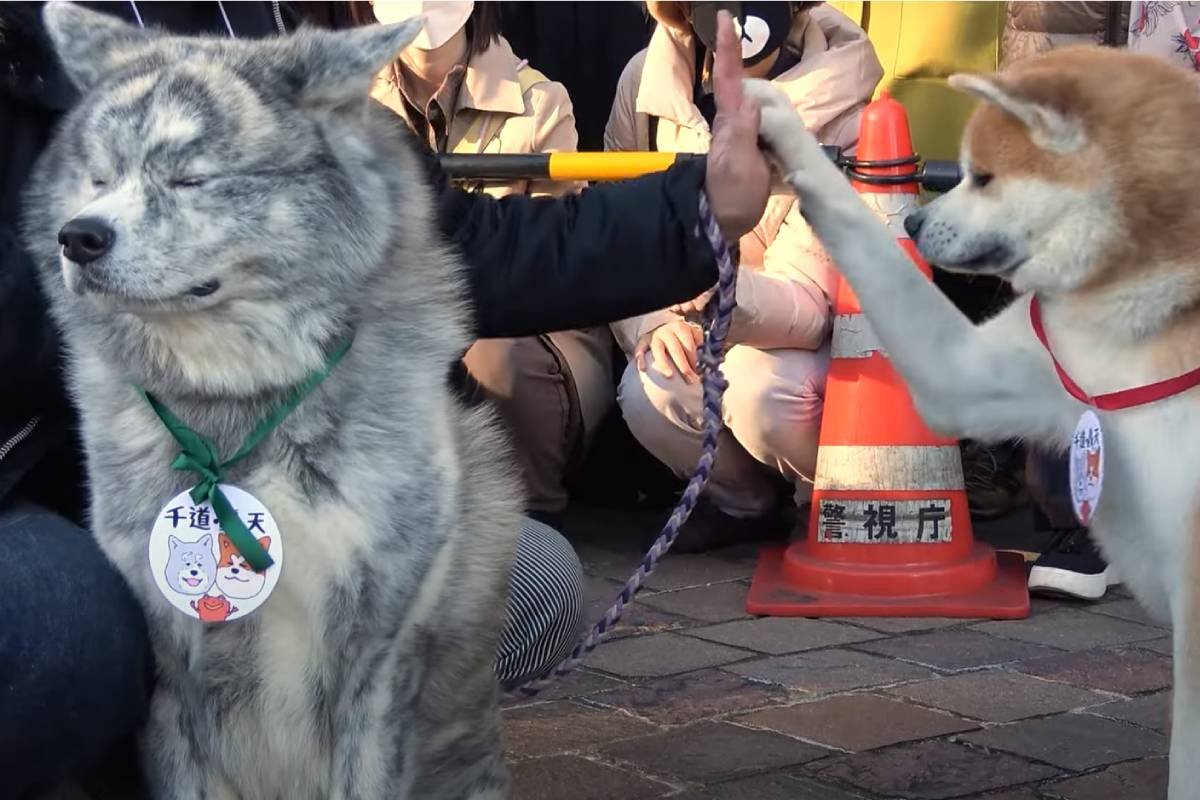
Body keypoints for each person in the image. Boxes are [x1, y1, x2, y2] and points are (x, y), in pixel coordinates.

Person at [0, 4, 770, 796]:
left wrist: (698, 202)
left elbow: (458, 242)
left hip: (278, 451)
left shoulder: (256, 21)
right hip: (34, 474)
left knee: (526, 582)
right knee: (64, 628)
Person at [605, 1, 883, 551]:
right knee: (650, 386)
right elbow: (614, 228)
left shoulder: (845, 102)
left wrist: (717, 290)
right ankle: (742, 503)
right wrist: (653, 320)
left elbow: (811, 307)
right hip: (705, 317)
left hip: (812, 343)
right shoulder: (647, 80)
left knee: (761, 392)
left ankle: (824, 503)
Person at [360, 0, 614, 532]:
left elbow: (556, 258)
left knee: (489, 342)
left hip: (522, 331)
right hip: (392, 323)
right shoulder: (345, 102)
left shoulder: (541, 102)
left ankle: (528, 522)